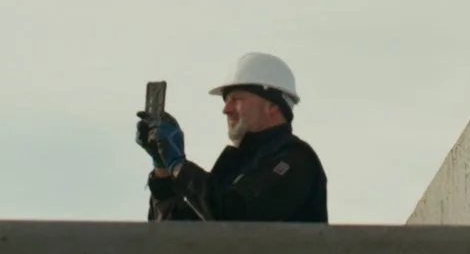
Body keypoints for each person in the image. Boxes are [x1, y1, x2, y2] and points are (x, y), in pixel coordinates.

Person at [136, 52, 328, 223]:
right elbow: (174, 234)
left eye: (236, 99)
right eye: (226, 101)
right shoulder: (234, 170)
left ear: (274, 106)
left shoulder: (297, 160)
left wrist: (178, 165)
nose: (226, 110)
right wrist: (163, 170)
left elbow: (233, 216)